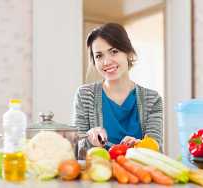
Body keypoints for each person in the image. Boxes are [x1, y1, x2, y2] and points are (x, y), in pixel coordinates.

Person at [70, 23, 163, 159]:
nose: (106, 62)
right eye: (99, 56)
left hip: (137, 176)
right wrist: (89, 138)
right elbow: (76, 151)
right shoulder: (85, 95)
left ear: (128, 53)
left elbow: (156, 150)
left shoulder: (152, 99)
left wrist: (140, 146)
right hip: (97, 175)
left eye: (114, 51)